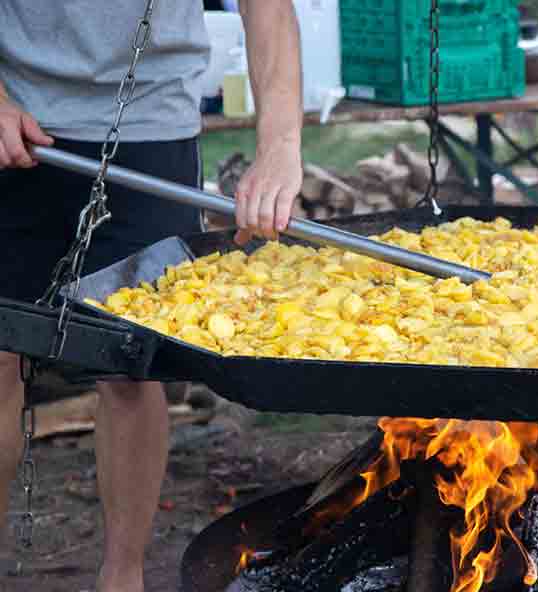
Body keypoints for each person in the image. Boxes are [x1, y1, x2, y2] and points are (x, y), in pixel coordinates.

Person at [0, 2, 303, 591]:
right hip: (17, 118)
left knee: (131, 369)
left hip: (150, 125)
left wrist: (279, 147)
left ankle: (123, 578)